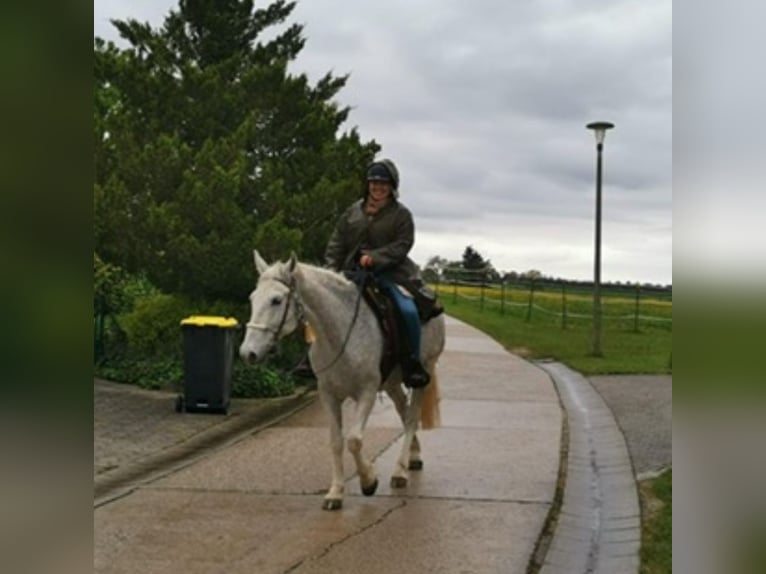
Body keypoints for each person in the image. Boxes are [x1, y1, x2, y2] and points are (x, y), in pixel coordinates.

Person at [325, 158, 430, 388]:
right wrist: (332, 270)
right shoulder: (353, 211)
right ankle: (315, 360)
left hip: (391, 274)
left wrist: (376, 257)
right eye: (374, 182)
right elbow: (337, 241)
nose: (378, 187)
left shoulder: (402, 215)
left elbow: (404, 244)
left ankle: (411, 363)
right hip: (353, 273)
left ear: (392, 186)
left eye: (383, 183)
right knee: (321, 305)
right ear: (368, 184)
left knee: (408, 311)